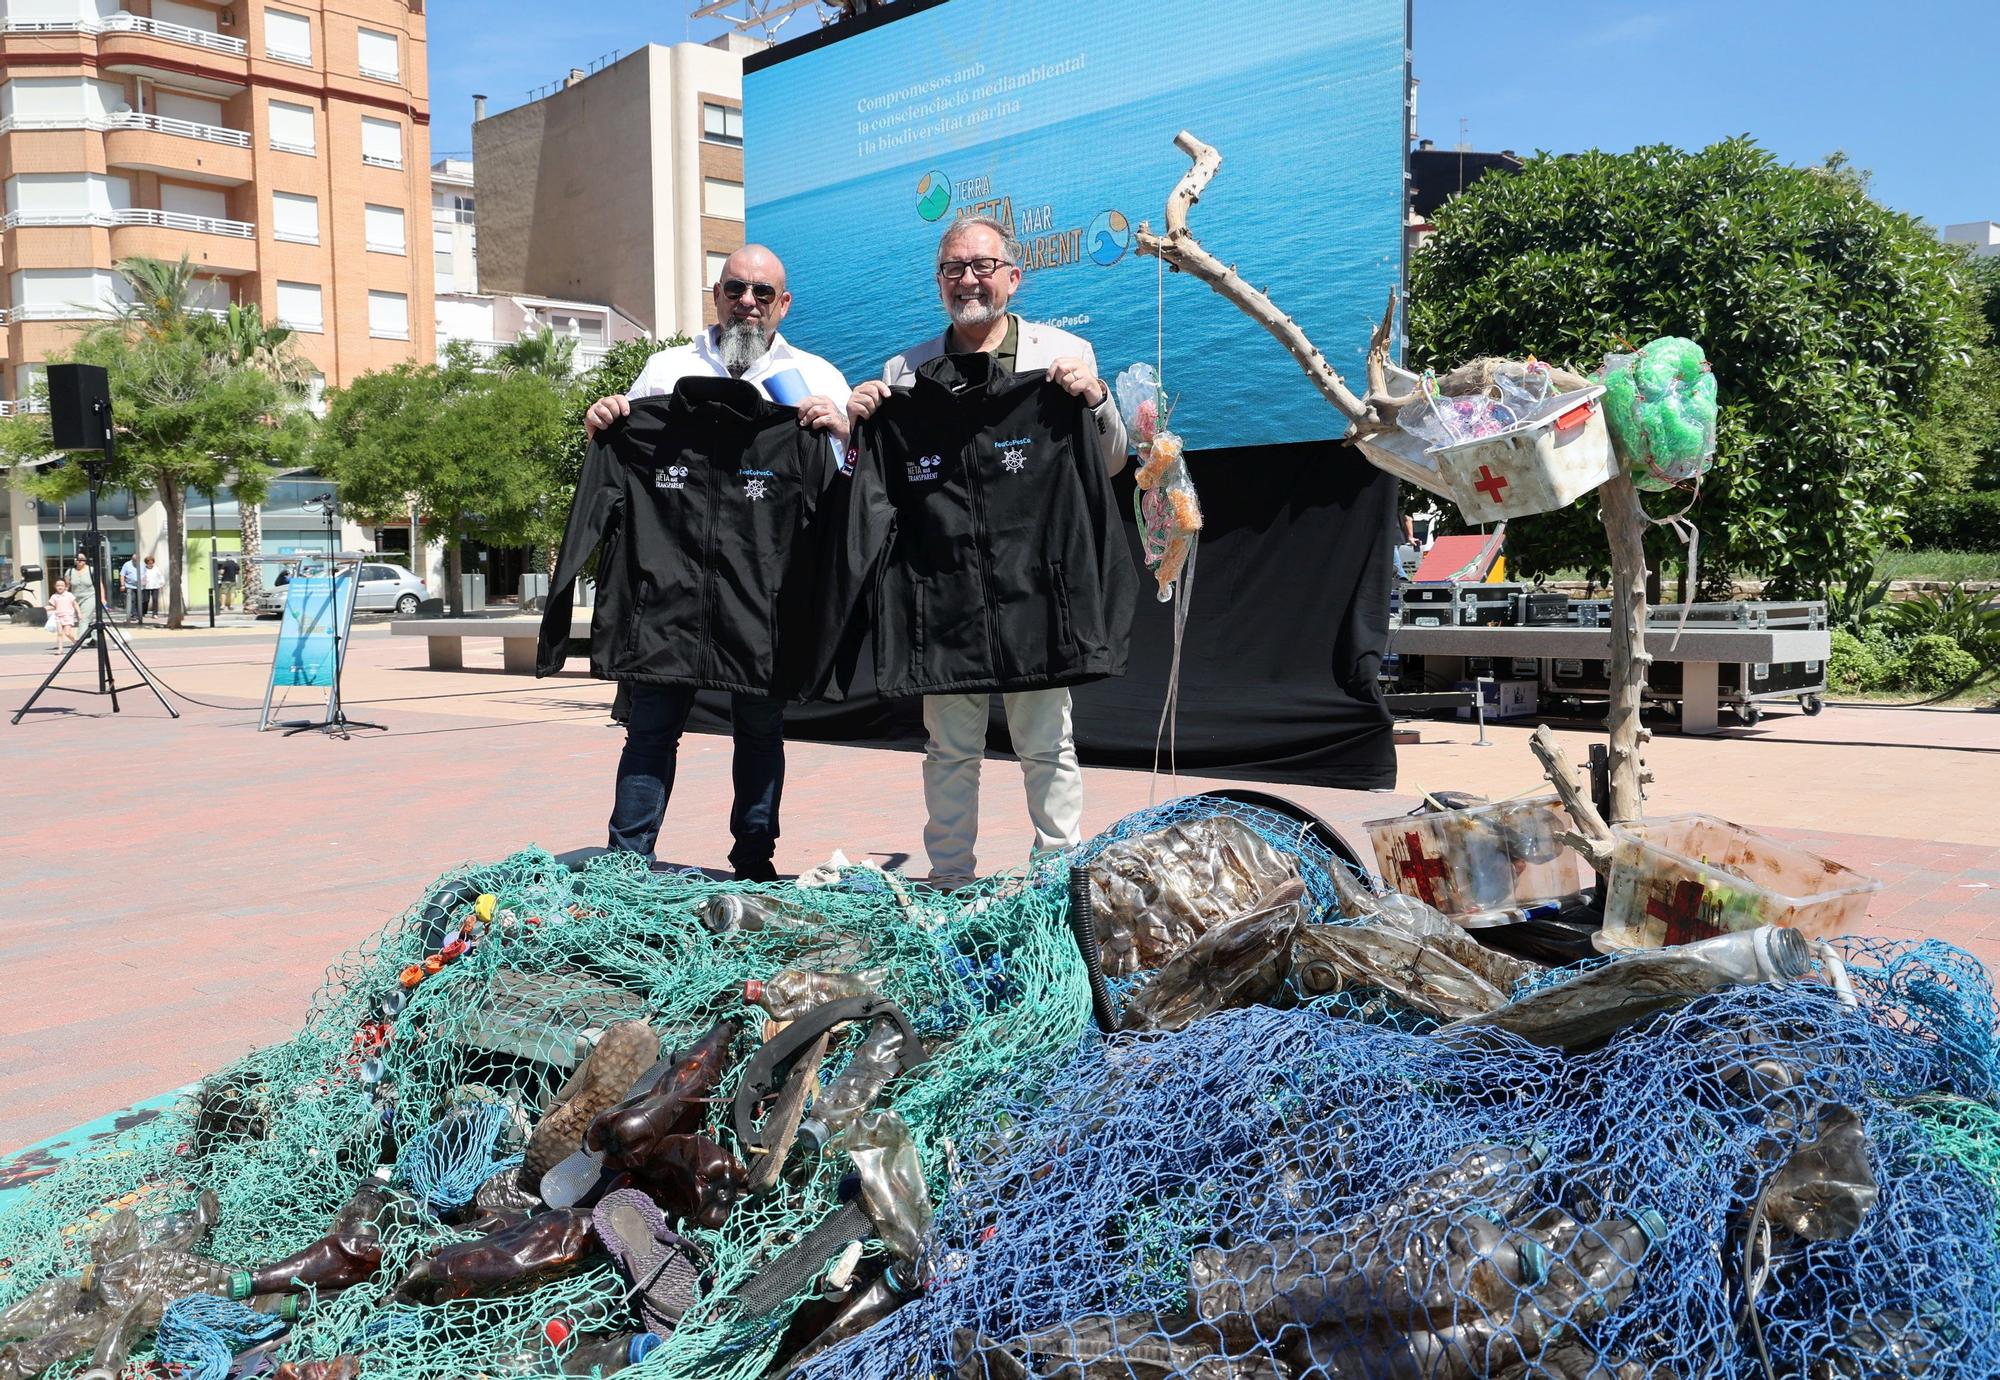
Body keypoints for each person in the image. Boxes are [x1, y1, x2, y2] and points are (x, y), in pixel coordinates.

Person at [847, 215, 1129, 887]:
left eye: (982, 266)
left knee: (1047, 745)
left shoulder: (1064, 354)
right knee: (949, 750)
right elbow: (873, 480)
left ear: (1012, 276)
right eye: (953, 269)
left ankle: (1059, 880)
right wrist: (859, 423)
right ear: (939, 281)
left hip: (1035, 582)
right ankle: (949, 880)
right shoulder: (903, 371)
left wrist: (1095, 401)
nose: (968, 280)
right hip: (943, 588)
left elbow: (1112, 463)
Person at [579, 244, 851, 881]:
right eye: (735, 289)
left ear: (783, 304)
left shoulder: (816, 377)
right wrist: (606, 421)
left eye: (762, 293)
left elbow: (848, 485)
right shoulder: (665, 369)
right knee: (650, 728)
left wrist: (839, 433)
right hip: (671, 585)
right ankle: (626, 863)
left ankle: (755, 865)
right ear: (717, 295)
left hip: (761, 590)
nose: (747, 303)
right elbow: (624, 459)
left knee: (759, 731)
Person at [46, 578, 80, 653]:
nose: (60, 587)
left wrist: (79, 613)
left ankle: (76, 643)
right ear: (55, 586)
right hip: (58, 616)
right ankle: (60, 649)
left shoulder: (69, 595)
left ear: (65, 587)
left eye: (62, 585)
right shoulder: (54, 596)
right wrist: (46, 608)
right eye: (58, 585)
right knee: (60, 633)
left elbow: (75, 604)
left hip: (68, 616)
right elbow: (53, 606)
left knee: (67, 633)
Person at [68, 551, 98, 629]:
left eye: (82, 559)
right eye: (78, 559)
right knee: (85, 619)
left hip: (90, 597)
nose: (80, 561)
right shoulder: (70, 571)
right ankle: (93, 638)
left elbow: (99, 584)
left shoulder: (91, 570)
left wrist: (102, 598)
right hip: (76, 599)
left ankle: (82, 639)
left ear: (85, 560)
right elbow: (67, 586)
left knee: (83, 618)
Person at [119, 552, 142, 624]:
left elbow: (145, 575)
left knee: (141, 600)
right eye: (134, 560)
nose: (135, 561)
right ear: (132, 559)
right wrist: (122, 585)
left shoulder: (142, 565)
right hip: (130, 585)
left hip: (140, 586)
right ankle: (134, 615)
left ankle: (140, 614)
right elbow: (122, 575)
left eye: (136, 560)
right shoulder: (127, 564)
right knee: (132, 600)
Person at [141, 554, 163, 619]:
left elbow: (160, 576)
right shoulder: (143, 569)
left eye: (151, 563)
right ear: (146, 563)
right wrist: (142, 582)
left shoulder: (156, 568)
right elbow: (141, 577)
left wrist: (161, 582)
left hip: (155, 585)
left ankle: (155, 613)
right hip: (146, 586)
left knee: (155, 599)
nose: (150, 564)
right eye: (149, 563)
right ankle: (143, 612)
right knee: (145, 600)